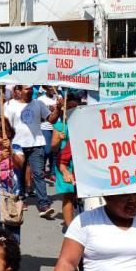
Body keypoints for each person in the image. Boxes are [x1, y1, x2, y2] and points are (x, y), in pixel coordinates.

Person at [5, 85, 58, 218]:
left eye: (30, 89)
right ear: (19, 91)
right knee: (19, 174)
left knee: (38, 174)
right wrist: (6, 137)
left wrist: (58, 110)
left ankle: (44, 205)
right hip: (17, 144)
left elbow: (51, 119)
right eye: (26, 89)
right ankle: (21, 199)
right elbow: (5, 124)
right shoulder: (10, 105)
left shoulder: (38, 103)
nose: (29, 91)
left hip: (36, 144)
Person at [52, 98, 79, 229]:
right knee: (68, 195)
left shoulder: (81, 125)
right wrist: (59, 138)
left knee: (79, 195)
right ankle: (70, 228)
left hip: (79, 163)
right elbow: (53, 147)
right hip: (64, 163)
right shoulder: (59, 126)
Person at [37, 86, 59, 182]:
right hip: (45, 127)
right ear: (46, 88)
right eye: (50, 87)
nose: (52, 89)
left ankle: (52, 172)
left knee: (55, 151)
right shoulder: (40, 99)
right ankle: (41, 170)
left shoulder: (59, 97)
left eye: (54, 87)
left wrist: (60, 106)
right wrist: (48, 108)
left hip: (56, 127)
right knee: (47, 151)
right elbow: (37, 113)